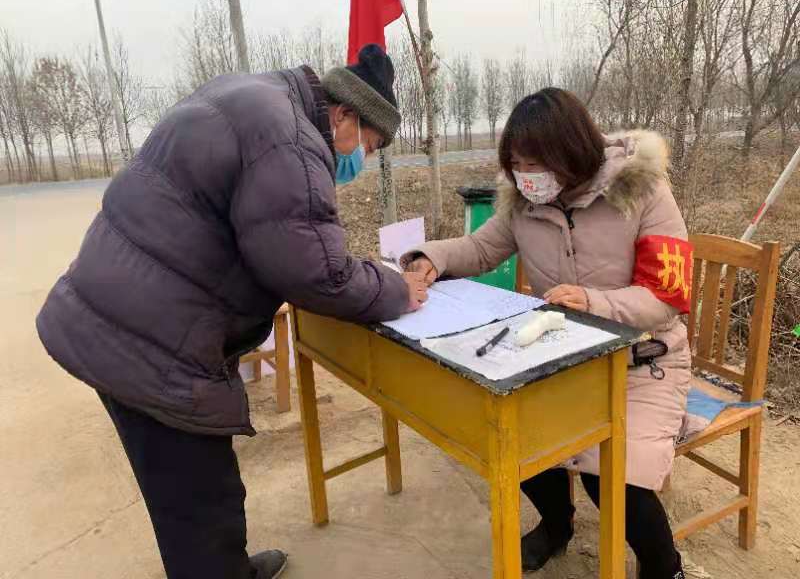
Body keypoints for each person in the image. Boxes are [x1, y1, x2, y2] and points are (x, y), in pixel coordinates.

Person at [36, 44, 428, 579]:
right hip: (153, 342)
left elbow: (281, 235)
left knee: (182, 494)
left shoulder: (255, 94)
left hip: (117, 312)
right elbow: (316, 272)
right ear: (343, 115)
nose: (361, 158)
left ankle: (227, 568)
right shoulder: (291, 138)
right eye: (368, 144)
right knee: (200, 501)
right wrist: (397, 290)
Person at [404, 88, 690, 579]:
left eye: (533, 163)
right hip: (562, 358)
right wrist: (433, 257)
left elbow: (667, 296)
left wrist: (594, 303)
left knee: (612, 477)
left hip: (643, 363)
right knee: (516, 440)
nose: (524, 176)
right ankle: (557, 525)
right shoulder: (524, 202)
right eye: (515, 165)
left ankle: (665, 568)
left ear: (569, 152)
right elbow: (480, 249)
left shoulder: (642, 191)